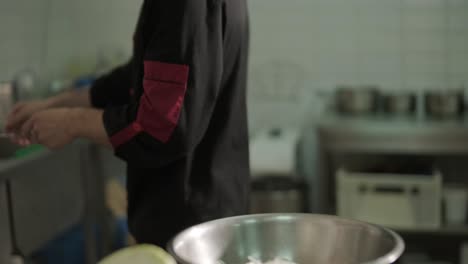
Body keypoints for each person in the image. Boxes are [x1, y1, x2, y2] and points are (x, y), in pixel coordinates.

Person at [6, 0, 250, 247]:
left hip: (188, 228)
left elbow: (162, 127)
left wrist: (72, 122)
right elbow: (152, 71)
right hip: (207, 211)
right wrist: (60, 102)